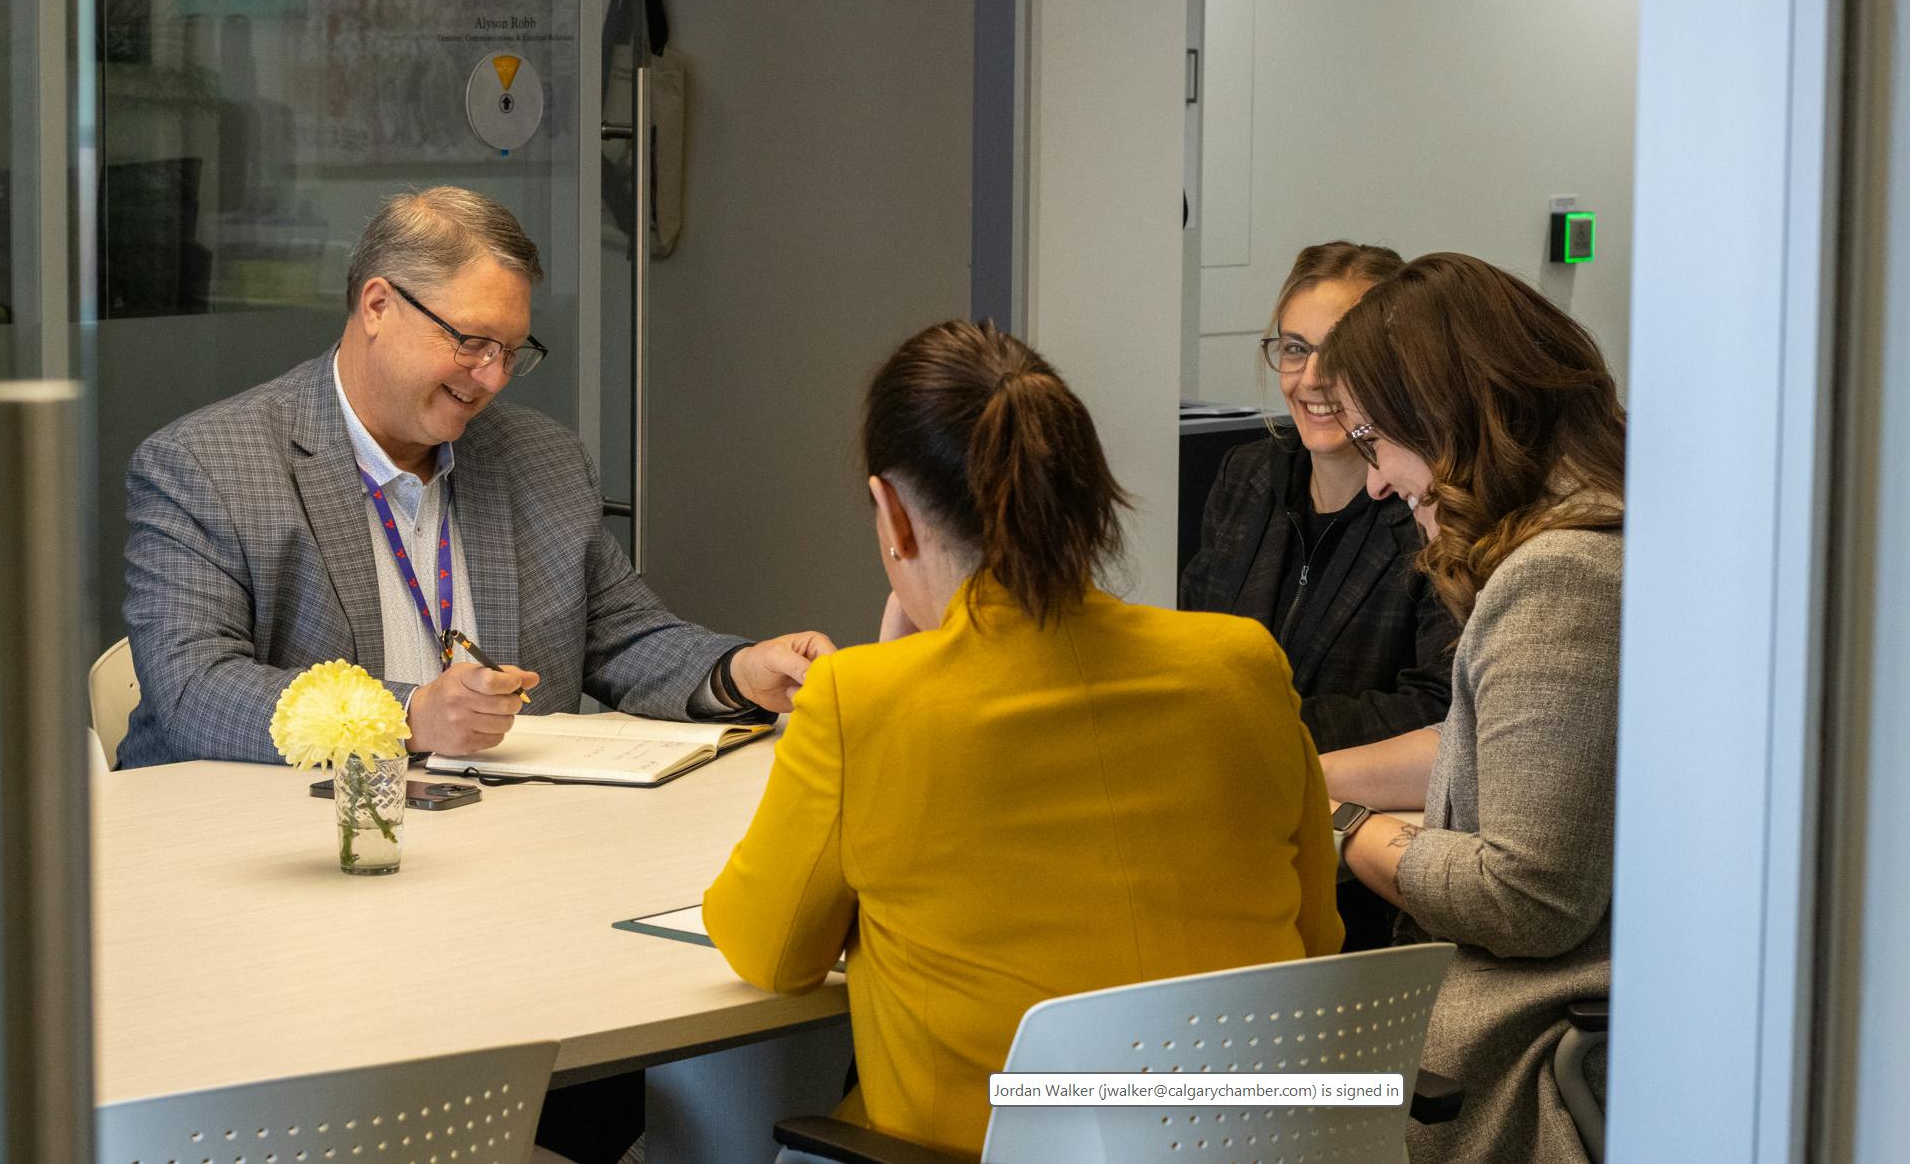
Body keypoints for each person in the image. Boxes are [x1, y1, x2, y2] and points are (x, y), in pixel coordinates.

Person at [703, 320, 1343, 1161]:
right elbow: (1316, 938)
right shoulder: (1240, 664)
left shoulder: (862, 703)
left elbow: (770, 950)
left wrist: (894, 674)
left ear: (891, 513)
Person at [117, 187, 833, 770]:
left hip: (491, 847)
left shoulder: (541, 460)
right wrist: (408, 717)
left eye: (511, 352)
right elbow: (195, 689)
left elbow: (624, 639)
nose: (491, 378)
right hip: (263, 854)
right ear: (377, 305)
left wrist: (740, 669)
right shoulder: (207, 466)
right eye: (471, 343)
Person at [1315, 253, 1624, 1164]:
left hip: (1506, 1058)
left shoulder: (1562, 574)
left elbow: (1526, 895)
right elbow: (1493, 744)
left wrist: (1341, 823)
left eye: (1376, 441)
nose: (1375, 481)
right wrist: (1304, 772)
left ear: (1447, 416)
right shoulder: (1594, 539)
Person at [1181, 241, 1453, 953]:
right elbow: (1194, 648)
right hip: (1226, 838)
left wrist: (1263, 726)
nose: (1313, 377)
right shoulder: (1249, 476)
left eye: (1344, 352)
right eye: (1295, 349)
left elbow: (1437, 705)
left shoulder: (1426, 507)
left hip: (1364, 885)